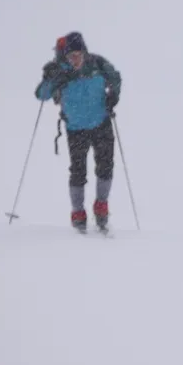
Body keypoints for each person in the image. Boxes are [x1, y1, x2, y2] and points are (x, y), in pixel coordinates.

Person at [35, 31, 122, 233]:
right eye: (70, 56)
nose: (74, 59)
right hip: (76, 129)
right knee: (78, 171)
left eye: (77, 54)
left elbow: (115, 78)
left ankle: (101, 205)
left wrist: (113, 96)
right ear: (64, 56)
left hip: (101, 123)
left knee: (106, 167)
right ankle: (78, 212)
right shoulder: (60, 73)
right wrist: (47, 78)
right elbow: (42, 95)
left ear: (84, 52)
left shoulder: (98, 64)